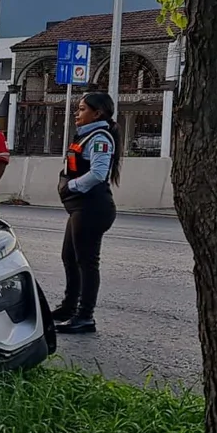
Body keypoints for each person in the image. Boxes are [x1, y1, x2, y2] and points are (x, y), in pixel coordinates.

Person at [53, 91, 121, 334]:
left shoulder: (100, 137)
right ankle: (69, 307)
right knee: (69, 258)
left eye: (82, 109)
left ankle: (85, 316)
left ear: (97, 113)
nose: (77, 113)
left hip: (92, 208)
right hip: (80, 209)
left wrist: (70, 186)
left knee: (87, 263)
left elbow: (98, 173)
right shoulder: (86, 135)